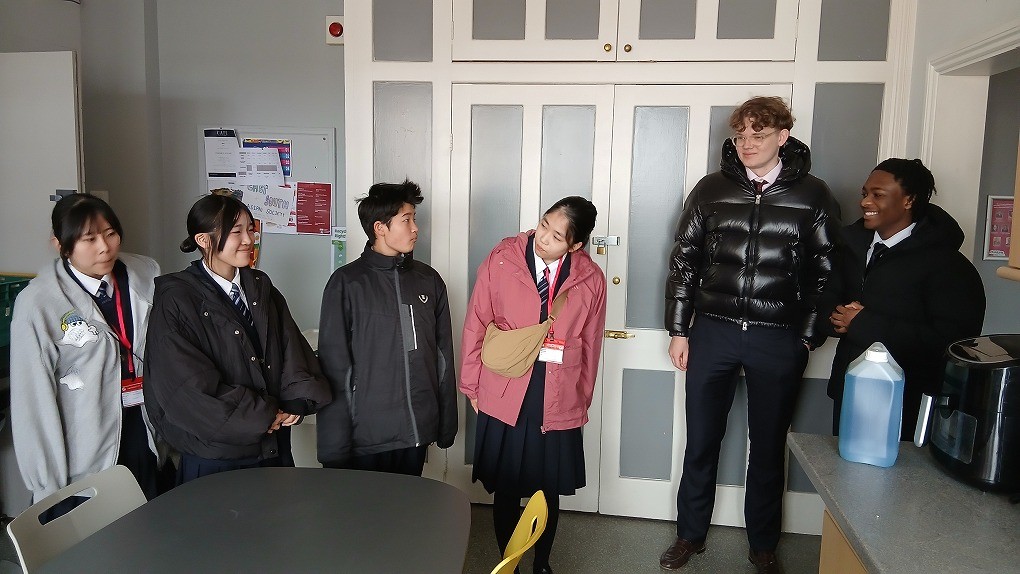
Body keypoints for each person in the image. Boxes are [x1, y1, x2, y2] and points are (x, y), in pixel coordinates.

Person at [661, 96, 841, 573]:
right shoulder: (710, 189)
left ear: (783, 136)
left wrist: (809, 334)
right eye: (740, 135)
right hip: (713, 332)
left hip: (777, 337)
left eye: (758, 136)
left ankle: (763, 545)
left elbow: (827, 269)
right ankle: (689, 535)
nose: (747, 144)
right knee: (701, 441)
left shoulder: (814, 195)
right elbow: (684, 261)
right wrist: (679, 330)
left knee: (767, 447)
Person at [461, 196, 607, 574]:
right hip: (506, 385)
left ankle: (542, 564)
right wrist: (471, 384)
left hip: (556, 392)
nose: (543, 238)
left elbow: (591, 342)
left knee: (547, 489)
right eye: (544, 225)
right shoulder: (503, 258)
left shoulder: (590, 278)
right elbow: (477, 321)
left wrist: (582, 398)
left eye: (557, 236)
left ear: (575, 245)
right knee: (507, 485)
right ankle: (508, 564)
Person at [144, 193, 330, 483]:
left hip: (272, 447)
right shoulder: (178, 299)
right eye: (236, 232)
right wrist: (262, 416)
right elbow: (185, 386)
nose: (248, 239)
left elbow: (291, 348)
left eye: (251, 229)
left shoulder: (260, 286)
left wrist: (297, 400)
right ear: (203, 240)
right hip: (217, 456)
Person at [11, 194, 173, 507]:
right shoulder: (39, 303)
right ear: (60, 245)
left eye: (110, 234)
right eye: (89, 239)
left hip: (146, 429)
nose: (104, 247)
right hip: (86, 448)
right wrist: (46, 483)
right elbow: (32, 401)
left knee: (150, 521)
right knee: (99, 528)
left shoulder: (145, 274)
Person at [819, 158, 985, 439]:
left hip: (909, 400)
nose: (865, 202)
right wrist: (836, 319)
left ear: (909, 200)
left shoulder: (948, 265)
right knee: (841, 467)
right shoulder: (851, 247)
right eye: (864, 193)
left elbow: (954, 342)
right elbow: (828, 300)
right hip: (849, 389)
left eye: (878, 194)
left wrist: (862, 323)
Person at [316, 180, 457, 476]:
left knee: (409, 504)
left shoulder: (428, 281)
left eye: (414, 219)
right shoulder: (347, 283)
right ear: (380, 227)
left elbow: (443, 358)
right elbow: (335, 367)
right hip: (367, 436)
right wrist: (333, 447)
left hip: (416, 432)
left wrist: (446, 424)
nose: (415, 228)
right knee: (369, 507)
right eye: (406, 220)